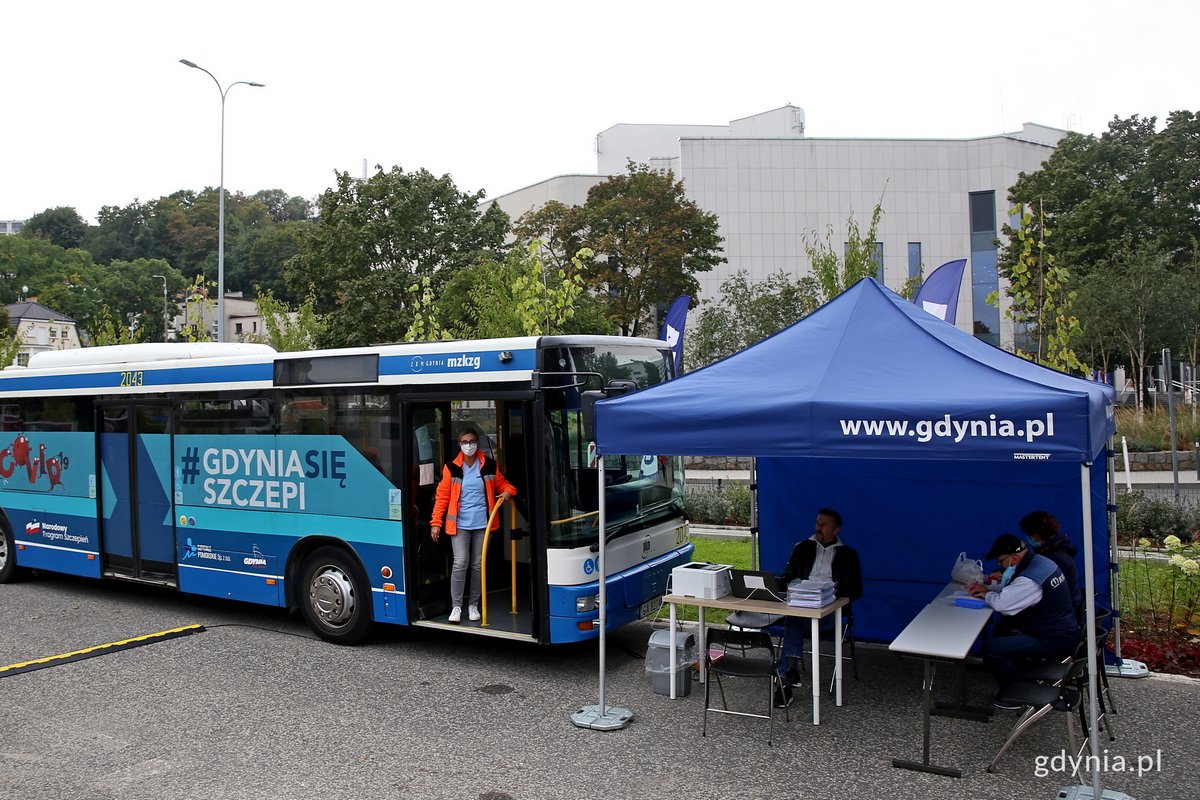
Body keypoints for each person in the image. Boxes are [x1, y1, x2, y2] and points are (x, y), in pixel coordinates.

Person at [968, 533, 1079, 708]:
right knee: (1002, 630)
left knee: (992, 648)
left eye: (1001, 561)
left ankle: (1017, 691)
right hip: (1060, 628)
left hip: (1053, 638)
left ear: (1014, 557)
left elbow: (1002, 605)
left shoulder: (1029, 578)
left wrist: (986, 593)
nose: (1000, 565)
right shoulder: (1041, 562)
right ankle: (1022, 679)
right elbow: (1015, 592)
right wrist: (992, 586)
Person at [774, 508, 863, 708]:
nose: (818, 527)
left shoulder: (848, 555)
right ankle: (787, 678)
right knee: (795, 617)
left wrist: (832, 594)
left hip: (829, 612)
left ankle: (788, 674)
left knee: (793, 621)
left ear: (836, 529)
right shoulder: (802, 547)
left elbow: (856, 590)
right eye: (817, 523)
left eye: (824, 524)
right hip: (802, 605)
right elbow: (787, 577)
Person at [430, 428, 518, 624]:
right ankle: (456, 606)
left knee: (478, 564)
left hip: (482, 524)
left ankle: (473, 605)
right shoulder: (451, 468)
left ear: (477, 442)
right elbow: (442, 497)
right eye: (464, 441)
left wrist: (508, 492)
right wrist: (436, 523)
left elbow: (505, 485)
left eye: (471, 441)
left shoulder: (489, 466)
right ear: (459, 444)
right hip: (459, 524)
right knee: (460, 562)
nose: (468, 445)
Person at [1019, 510, 1084, 622]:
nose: (1028, 538)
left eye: (1030, 534)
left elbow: (1048, 591)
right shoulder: (1056, 550)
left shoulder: (1055, 559)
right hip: (1065, 611)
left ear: (1038, 534)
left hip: (1061, 617)